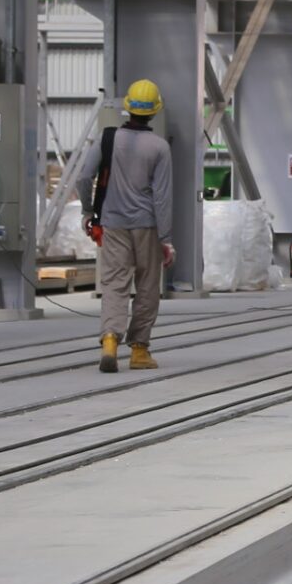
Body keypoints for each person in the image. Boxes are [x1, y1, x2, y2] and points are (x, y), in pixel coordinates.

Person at [90, 78, 176, 373]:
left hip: (113, 223)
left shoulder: (107, 139)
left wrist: (90, 212)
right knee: (148, 285)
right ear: (154, 111)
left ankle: (110, 341)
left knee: (114, 283)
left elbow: (82, 176)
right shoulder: (160, 147)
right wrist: (166, 238)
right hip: (147, 226)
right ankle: (139, 350)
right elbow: (162, 197)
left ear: (127, 108)